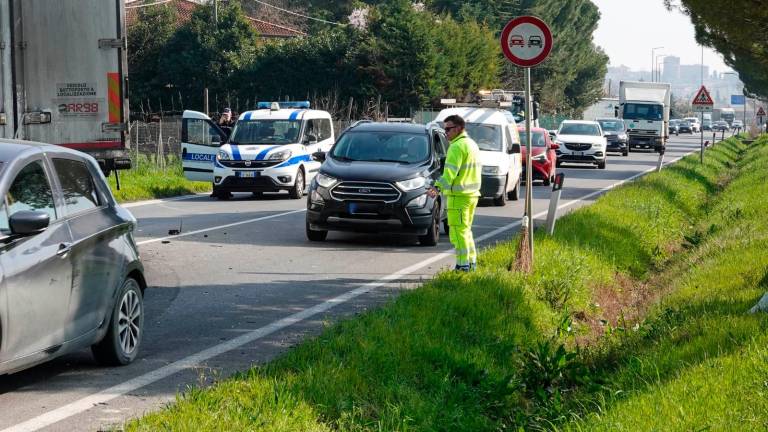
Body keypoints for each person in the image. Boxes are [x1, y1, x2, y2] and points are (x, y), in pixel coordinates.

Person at [427, 114, 481, 272]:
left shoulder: (456, 147)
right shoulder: (471, 144)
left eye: (448, 129)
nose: (446, 133)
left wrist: (436, 188)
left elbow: (450, 173)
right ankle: (471, 264)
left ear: (458, 128)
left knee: (458, 233)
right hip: (471, 195)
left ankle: (462, 266)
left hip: (459, 196)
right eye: (445, 130)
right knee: (466, 231)